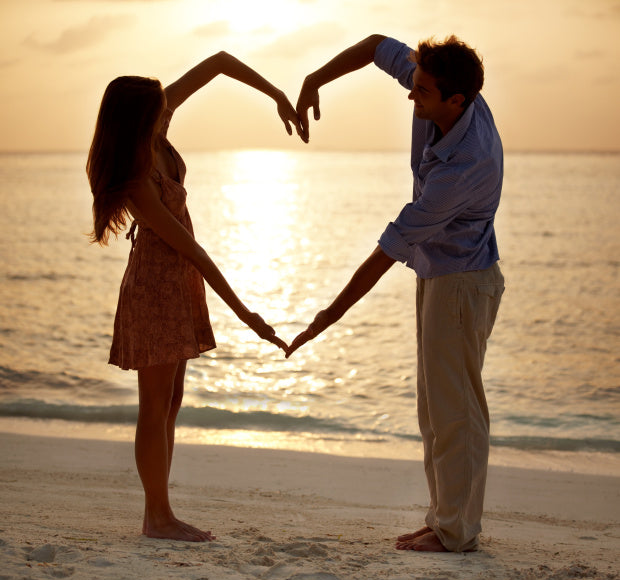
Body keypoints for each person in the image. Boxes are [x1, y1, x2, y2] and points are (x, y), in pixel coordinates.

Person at [288, 34, 505, 553]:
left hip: (461, 282)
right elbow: (375, 45)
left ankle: (456, 531)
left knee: (456, 411)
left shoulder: (462, 168)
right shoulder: (446, 87)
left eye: (422, 92)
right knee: (433, 407)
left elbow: (389, 249)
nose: (412, 97)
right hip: (439, 272)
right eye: (415, 84)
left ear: (456, 100)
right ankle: (445, 519)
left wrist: (327, 316)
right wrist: (314, 79)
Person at [87, 52, 302, 541]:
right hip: (155, 288)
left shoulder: (157, 130)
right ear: (138, 118)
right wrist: (246, 313)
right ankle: (156, 517)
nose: (168, 107)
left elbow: (220, 63)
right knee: (154, 402)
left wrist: (277, 96)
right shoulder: (138, 180)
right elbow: (195, 251)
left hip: (179, 283)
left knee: (172, 402)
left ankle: (161, 512)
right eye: (159, 105)